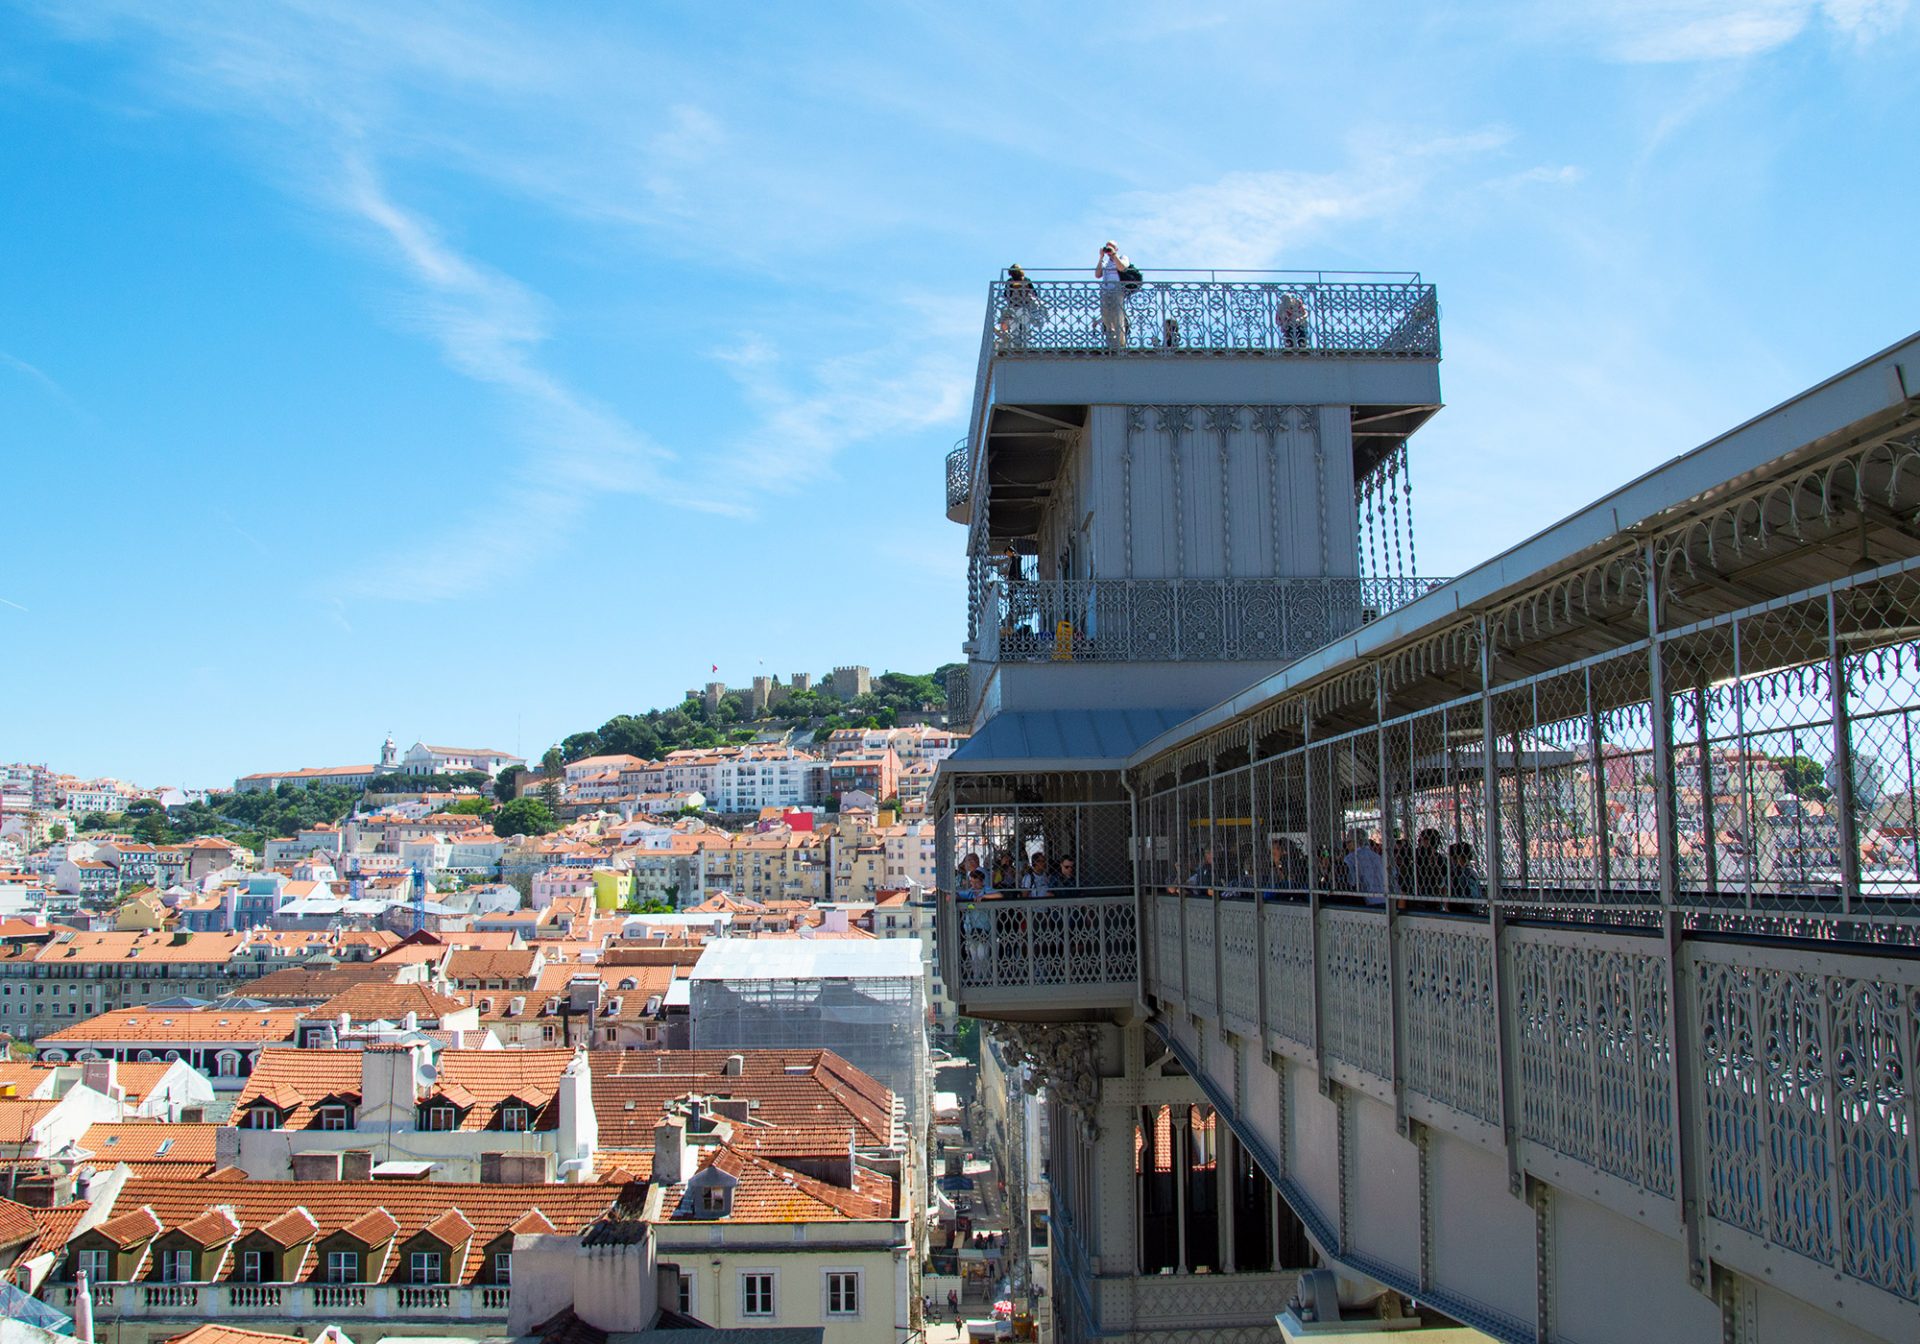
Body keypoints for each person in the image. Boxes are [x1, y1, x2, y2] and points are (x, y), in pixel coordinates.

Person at [997, 263, 1043, 350]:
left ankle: (1024, 347)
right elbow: (1007, 294)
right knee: (1016, 328)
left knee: (1023, 327)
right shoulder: (1012, 281)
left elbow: (1033, 293)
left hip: (1023, 307)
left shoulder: (1025, 280)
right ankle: (1017, 347)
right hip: (1016, 307)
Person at [1096, 241, 1131, 351]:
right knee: (1106, 314)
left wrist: (1114, 255)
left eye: (1111, 247)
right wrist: (1101, 257)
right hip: (1105, 292)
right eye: (1107, 247)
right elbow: (1097, 275)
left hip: (1117, 291)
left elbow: (1122, 267)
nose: (1109, 249)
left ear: (1116, 249)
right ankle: (1111, 340)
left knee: (1118, 316)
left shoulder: (1122, 257)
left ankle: (1120, 343)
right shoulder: (1105, 262)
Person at [1343, 828, 1387, 906]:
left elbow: (1351, 881)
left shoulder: (1350, 858)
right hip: (1384, 898)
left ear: (1354, 842)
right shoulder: (1376, 856)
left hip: (1367, 900)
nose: (1347, 845)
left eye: (1349, 842)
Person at [1414, 828, 1448, 901]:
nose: (1418, 844)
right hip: (1419, 894)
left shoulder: (1441, 860)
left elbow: (1444, 881)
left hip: (1432, 896)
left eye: (1420, 841)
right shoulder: (1416, 856)